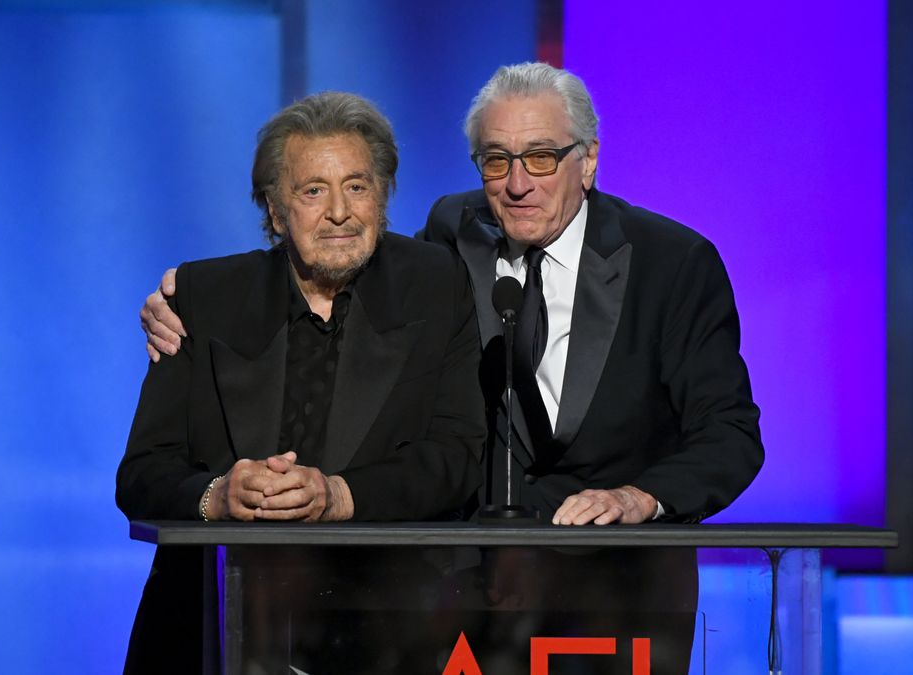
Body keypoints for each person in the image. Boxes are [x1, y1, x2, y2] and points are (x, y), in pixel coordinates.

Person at [141, 63, 764, 672]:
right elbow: (344, 257)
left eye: (542, 156)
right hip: (477, 597)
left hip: (618, 597)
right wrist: (184, 299)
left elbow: (730, 435)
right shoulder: (453, 232)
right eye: (497, 159)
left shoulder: (674, 263)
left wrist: (642, 497)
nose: (518, 183)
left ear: (589, 160)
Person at [117, 91, 485, 673]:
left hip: (382, 630)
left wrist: (339, 496)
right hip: (214, 624)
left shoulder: (436, 285)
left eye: (357, 186)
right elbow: (141, 474)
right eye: (313, 190)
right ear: (274, 208)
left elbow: (459, 456)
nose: (339, 211)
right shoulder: (202, 297)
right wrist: (219, 497)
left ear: (383, 196)